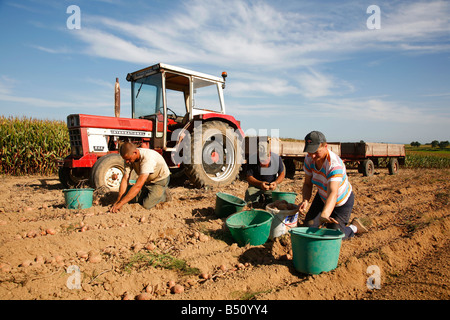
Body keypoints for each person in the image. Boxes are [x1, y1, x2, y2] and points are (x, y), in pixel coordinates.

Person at [299, 131, 367, 239]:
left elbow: (333, 193)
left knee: (334, 236)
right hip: (322, 197)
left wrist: (325, 214)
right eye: (309, 152)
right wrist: (305, 200)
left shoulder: (334, 165)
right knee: (308, 227)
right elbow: (307, 184)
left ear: (325, 146)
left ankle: (354, 227)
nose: (312, 155)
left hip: (341, 202)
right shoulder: (309, 159)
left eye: (316, 152)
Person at [109, 142, 171, 213]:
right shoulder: (129, 157)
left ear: (135, 152)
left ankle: (164, 195)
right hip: (147, 180)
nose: (127, 161)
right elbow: (125, 179)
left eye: (128, 159)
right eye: (125, 159)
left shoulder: (147, 159)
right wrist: (119, 200)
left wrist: (120, 204)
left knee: (147, 205)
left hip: (159, 180)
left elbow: (138, 186)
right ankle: (150, 192)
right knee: (132, 200)